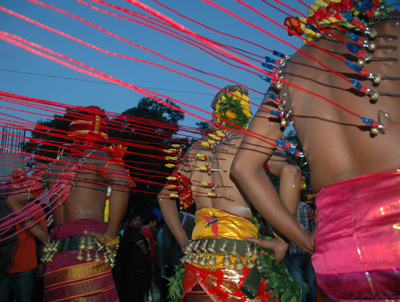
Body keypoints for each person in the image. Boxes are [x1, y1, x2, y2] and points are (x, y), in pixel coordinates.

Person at [231, 1, 400, 300]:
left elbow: (244, 167)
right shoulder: (391, 31)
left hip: (337, 251)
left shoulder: (291, 68)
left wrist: (307, 240)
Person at [159, 85, 301, 302]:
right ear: (245, 111)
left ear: (216, 113)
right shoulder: (248, 145)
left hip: (197, 256)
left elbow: (164, 196)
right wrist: (281, 239)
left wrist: (182, 241)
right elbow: (292, 170)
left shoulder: (196, 149)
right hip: (240, 254)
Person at [4, 106, 132, 301]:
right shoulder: (98, 157)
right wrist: (111, 235)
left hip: (55, 260)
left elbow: (13, 199)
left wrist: (45, 238)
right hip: (86, 256)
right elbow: (122, 183)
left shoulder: (53, 166)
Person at [0, 202, 46, 302]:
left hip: (25, 266)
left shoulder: (35, 208)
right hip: (4, 268)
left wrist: (42, 262)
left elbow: (43, 239)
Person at [282, 201, 316, 302]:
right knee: (311, 283)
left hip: (294, 250)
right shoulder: (306, 207)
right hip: (308, 250)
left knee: (298, 284)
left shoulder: (285, 208)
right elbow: (312, 226)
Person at [118, 212, 152, 302]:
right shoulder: (134, 234)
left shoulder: (127, 233)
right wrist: (151, 264)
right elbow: (145, 251)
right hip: (136, 268)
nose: (138, 222)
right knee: (137, 291)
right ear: (130, 222)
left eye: (140, 220)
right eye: (135, 220)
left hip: (130, 268)